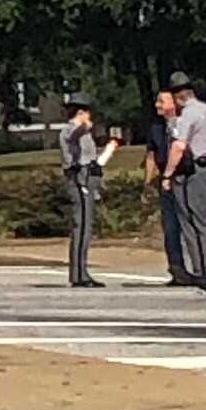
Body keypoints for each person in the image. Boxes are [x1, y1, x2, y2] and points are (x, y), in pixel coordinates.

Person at [155, 70, 206, 287]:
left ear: (178, 97)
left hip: (196, 171)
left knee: (193, 224)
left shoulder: (188, 115)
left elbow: (178, 146)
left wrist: (167, 174)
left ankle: (203, 273)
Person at [56, 96, 121, 289]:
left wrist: (109, 150)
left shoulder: (84, 133)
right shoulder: (70, 129)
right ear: (81, 112)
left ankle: (81, 271)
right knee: (81, 225)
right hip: (79, 178)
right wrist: (84, 125)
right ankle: (78, 274)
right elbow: (74, 138)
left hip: (89, 175)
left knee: (86, 226)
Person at [142, 85, 185, 279]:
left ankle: (196, 269)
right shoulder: (156, 128)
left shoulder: (185, 123)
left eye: (162, 101)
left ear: (174, 103)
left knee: (187, 224)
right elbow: (151, 155)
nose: (157, 105)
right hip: (165, 182)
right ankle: (176, 269)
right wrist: (148, 182)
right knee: (170, 226)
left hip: (185, 178)